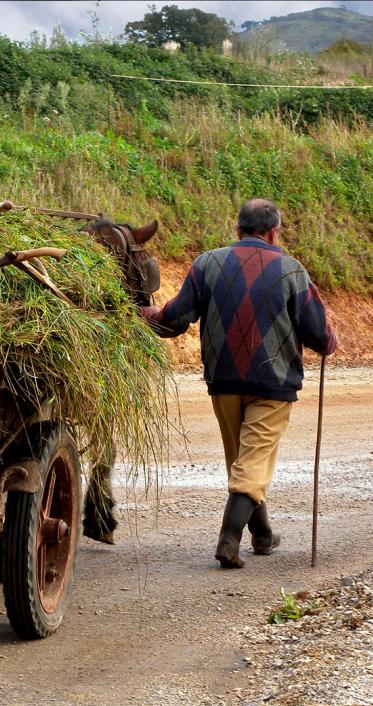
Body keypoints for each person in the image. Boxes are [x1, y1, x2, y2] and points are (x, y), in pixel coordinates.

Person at [141, 199, 337, 568]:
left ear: (238, 231)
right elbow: (319, 335)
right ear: (275, 231)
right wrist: (331, 339)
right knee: (252, 462)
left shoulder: (206, 264)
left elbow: (175, 318)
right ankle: (228, 540)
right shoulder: (291, 271)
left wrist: (147, 314)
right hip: (273, 384)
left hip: (225, 380)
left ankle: (262, 535)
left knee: (242, 461)